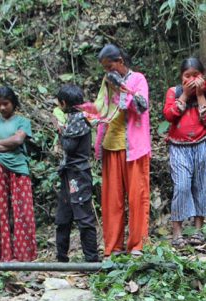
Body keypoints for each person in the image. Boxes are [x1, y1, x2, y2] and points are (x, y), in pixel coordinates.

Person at [92, 44, 151, 257]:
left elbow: (141, 106)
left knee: (138, 197)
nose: (108, 72)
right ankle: (113, 248)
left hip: (135, 147)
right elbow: (102, 111)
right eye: (105, 69)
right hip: (111, 146)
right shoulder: (107, 83)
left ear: (120, 61)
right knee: (112, 200)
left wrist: (123, 88)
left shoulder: (138, 79)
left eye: (110, 66)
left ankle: (137, 245)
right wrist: (97, 146)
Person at [164, 57, 206, 247]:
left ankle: (199, 230)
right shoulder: (174, 92)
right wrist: (185, 96)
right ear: (181, 77)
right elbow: (169, 115)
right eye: (188, 76)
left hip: (203, 144)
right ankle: (177, 231)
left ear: (203, 76)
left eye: (196, 75)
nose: (192, 79)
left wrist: (201, 95)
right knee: (182, 186)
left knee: (203, 186)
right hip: (178, 146)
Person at [0, 86, 37, 262]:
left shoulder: (22, 122)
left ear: (13, 103)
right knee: (1, 211)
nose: (2, 108)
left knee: (23, 209)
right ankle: (5, 255)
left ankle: (25, 255)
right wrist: (9, 143)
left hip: (19, 167)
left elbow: (19, 139)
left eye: (6, 104)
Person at [53, 84, 100, 263]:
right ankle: (61, 259)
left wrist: (60, 130)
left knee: (83, 216)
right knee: (63, 217)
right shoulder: (77, 117)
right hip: (70, 173)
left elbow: (69, 147)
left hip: (78, 173)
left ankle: (92, 260)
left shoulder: (78, 119)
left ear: (64, 103)